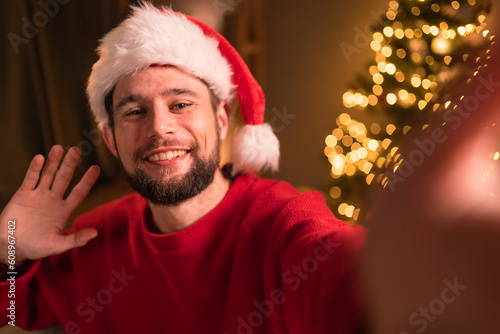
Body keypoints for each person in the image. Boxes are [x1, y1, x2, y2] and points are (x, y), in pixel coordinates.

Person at [0, 3, 365, 333]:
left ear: (222, 120)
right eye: (135, 111)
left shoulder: (283, 224)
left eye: (180, 104)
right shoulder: (92, 237)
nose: (160, 128)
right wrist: (8, 252)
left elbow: (351, 282)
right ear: (110, 140)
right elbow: (14, 309)